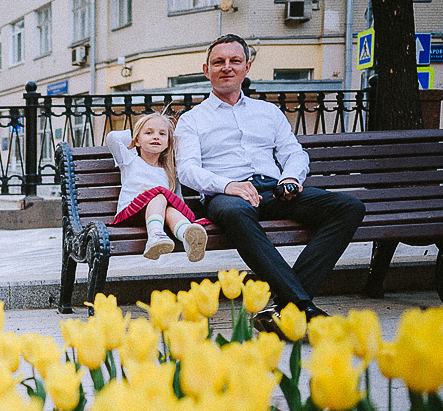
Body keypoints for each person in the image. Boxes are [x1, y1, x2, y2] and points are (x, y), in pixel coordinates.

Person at [175, 34, 365, 323]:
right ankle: (302, 306)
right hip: (227, 197)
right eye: (218, 62)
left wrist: (290, 178)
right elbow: (187, 170)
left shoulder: (268, 112)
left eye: (235, 61)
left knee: (349, 207)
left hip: (274, 190)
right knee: (236, 212)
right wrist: (229, 186)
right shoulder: (192, 119)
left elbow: (294, 153)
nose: (227, 67)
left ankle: (286, 306)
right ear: (206, 70)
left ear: (247, 67)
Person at [107, 112, 208, 261]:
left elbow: (176, 199)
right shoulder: (129, 160)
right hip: (131, 213)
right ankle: (155, 237)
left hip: (158, 215)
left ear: (168, 143)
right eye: (149, 133)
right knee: (159, 195)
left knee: (170, 208)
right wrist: (133, 139)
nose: (156, 137)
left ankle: (187, 236)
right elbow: (112, 138)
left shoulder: (170, 170)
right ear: (137, 140)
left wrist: (181, 214)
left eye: (162, 134)